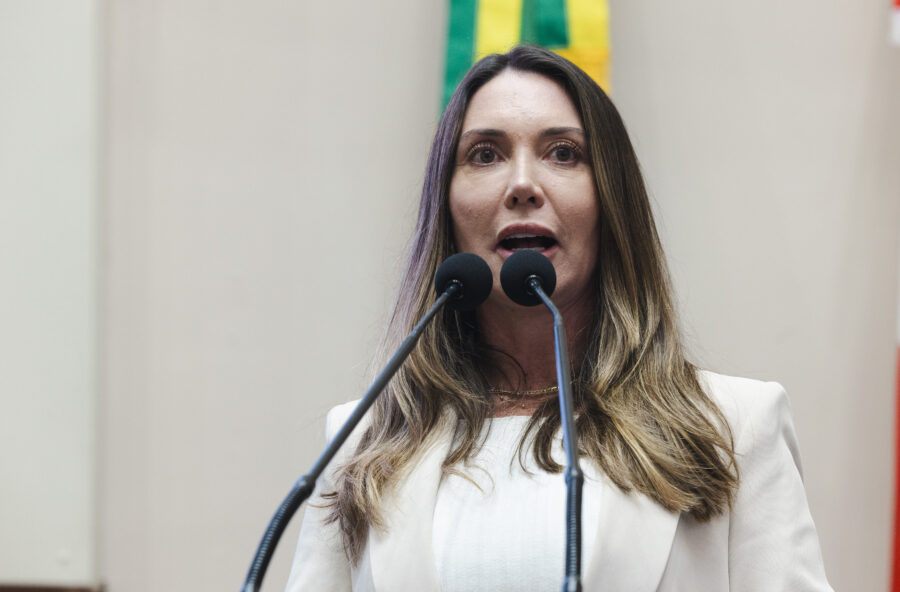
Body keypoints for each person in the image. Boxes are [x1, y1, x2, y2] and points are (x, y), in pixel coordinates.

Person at [285, 46, 833, 591]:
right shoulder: (359, 444)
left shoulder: (735, 429)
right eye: (485, 155)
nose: (522, 185)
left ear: (611, 200)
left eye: (563, 153)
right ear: (445, 205)